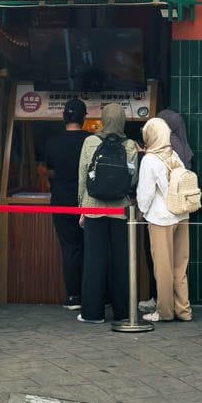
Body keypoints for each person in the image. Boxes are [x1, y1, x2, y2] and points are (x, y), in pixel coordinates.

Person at [77, 103, 139, 324]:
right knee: (122, 261)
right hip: (120, 210)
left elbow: (83, 177)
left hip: (93, 207)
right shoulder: (131, 145)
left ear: (103, 119)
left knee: (94, 261)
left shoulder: (90, 142)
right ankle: (123, 311)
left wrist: (81, 207)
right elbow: (132, 179)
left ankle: (92, 313)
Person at [136, 117, 193, 323]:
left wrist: (141, 211)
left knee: (163, 267)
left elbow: (145, 194)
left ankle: (165, 312)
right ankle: (183, 310)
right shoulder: (174, 154)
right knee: (180, 266)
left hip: (161, 219)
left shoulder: (149, 160)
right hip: (182, 215)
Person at [42, 98, 89, 311]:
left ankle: (73, 296)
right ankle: (93, 294)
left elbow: (48, 170)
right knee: (91, 248)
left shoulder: (52, 142)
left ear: (64, 117)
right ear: (84, 118)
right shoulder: (91, 141)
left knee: (70, 249)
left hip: (61, 201)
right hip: (87, 202)